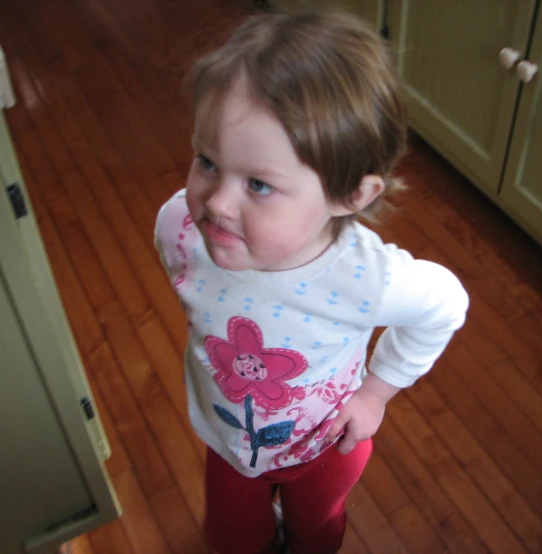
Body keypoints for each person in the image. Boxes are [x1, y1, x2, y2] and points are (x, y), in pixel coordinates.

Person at [154, 9, 469, 554]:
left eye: (258, 183)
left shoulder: (366, 280)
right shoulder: (179, 228)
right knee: (232, 537)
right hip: (230, 441)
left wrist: (375, 393)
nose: (217, 204)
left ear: (351, 196)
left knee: (316, 532)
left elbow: (444, 305)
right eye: (207, 161)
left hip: (327, 445)